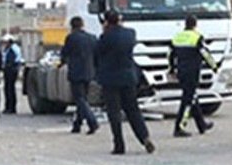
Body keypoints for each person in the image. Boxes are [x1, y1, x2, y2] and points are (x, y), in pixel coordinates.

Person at [95, 9, 154, 155]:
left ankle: (119, 145)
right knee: (133, 110)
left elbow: (98, 56)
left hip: (110, 79)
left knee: (114, 112)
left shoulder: (104, 37)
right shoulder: (130, 33)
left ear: (106, 22)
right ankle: (144, 137)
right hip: (128, 77)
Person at [168, 14, 218, 137]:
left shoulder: (177, 37)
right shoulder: (197, 37)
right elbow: (204, 53)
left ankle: (202, 125)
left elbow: (169, 54)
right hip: (192, 72)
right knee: (188, 100)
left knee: (192, 96)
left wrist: (171, 69)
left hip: (181, 71)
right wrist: (214, 66)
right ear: (195, 24)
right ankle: (179, 126)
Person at [60, 16, 99, 135]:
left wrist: (62, 62)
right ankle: (77, 125)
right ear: (83, 25)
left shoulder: (71, 38)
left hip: (76, 73)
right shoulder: (92, 38)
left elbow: (65, 54)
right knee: (83, 99)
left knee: (80, 99)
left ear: (72, 26)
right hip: (89, 72)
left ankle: (92, 121)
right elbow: (97, 55)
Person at [1, 34, 22, 114]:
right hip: (11, 69)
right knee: (9, 88)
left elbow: (10, 60)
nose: (4, 43)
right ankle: (9, 106)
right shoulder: (11, 48)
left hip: (11, 69)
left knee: (9, 89)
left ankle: (10, 107)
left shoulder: (12, 49)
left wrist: (5, 66)